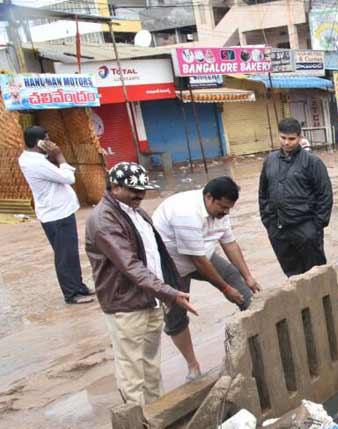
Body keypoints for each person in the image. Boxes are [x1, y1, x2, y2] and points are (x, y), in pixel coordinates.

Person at [85, 162, 197, 405]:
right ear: (114, 187)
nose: (140, 195)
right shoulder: (104, 220)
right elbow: (131, 266)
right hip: (126, 305)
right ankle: (138, 428)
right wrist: (170, 292)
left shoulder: (137, 213)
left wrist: (164, 293)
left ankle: (156, 418)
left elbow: (156, 257)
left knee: (151, 367)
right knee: (132, 372)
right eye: (133, 190)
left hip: (150, 301)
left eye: (143, 190)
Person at [153, 176, 261, 381]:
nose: (226, 212)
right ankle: (193, 366)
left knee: (237, 280)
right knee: (176, 317)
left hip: (203, 254)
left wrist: (248, 277)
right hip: (172, 267)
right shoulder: (186, 213)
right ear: (209, 198)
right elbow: (198, 261)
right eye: (222, 207)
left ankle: (259, 343)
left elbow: (229, 244)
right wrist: (225, 289)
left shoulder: (221, 211)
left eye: (229, 208)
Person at [18, 126, 95, 305]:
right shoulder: (36, 163)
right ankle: (72, 294)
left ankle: (79, 286)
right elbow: (68, 178)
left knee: (70, 253)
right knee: (65, 255)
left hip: (59, 211)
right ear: (40, 143)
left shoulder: (33, 158)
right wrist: (60, 157)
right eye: (48, 139)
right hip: (56, 214)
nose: (52, 143)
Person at [259, 117, 334, 277]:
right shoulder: (270, 161)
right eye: (283, 138)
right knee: (292, 276)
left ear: (300, 138)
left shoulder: (312, 162)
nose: (286, 142)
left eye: (291, 139)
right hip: (278, 229)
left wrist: (316, 226)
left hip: (305, 227)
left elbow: (325, 194)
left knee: (316, 275)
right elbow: (263, 193)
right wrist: (268, 221)